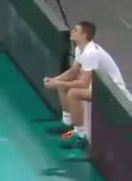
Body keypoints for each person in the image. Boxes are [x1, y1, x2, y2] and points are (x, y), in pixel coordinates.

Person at [43, 21, 128, 150]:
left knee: (73, 93)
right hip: (99, 86)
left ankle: (80, 135)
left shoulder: (90, 53)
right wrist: (54, 80)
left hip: (112, 92)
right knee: (64, 85)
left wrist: (57, 83)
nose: (72, 31)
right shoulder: (80, 48)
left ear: (84, 35)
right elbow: (73, 71)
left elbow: (84, 83)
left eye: (76, 30)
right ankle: (67, 123)